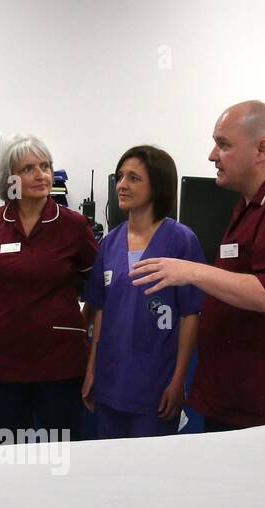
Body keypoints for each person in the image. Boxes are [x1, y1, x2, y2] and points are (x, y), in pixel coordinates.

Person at [130, 101, 265, 430]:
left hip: (259, 405)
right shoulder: (251, 204)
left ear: (261, 149)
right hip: (231, 389)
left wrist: (190, 271)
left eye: (223, 145)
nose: (212, 155)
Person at [0, 134, 98, 442]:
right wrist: (7, 311)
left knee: (61, 448)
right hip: (4, 358)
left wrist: (80, 324)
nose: (41, 175)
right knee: (11, 447)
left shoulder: (73, 225)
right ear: (11, 178)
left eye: (46, 166)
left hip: (60, 360)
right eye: (29, 168)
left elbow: (95, 284)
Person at [82, 145, 203, 439]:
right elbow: (100, 311)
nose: (122, 185)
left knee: (149, 473)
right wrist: (92, 371)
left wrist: (179, 382)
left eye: (134, 178)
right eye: (120, 177)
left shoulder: (181, 241)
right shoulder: (110, 243)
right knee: (111, 469)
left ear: (157, 184)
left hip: (155, 383)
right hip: (111, 379)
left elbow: (190, 315)